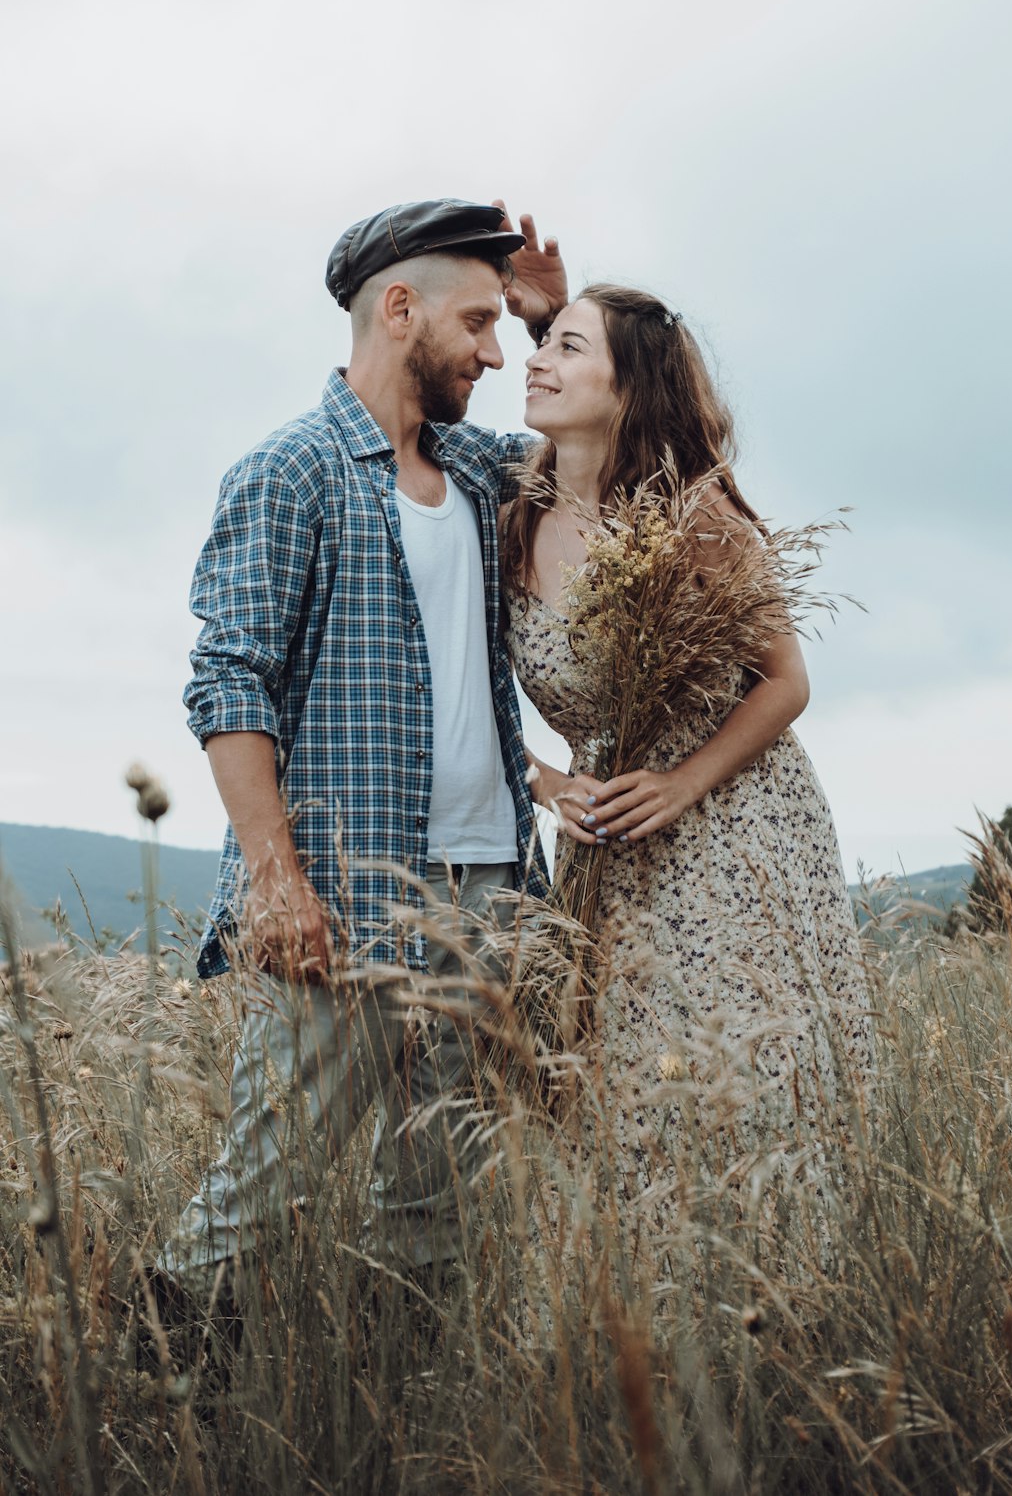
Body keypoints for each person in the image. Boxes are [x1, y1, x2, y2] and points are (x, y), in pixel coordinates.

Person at [158, 198, 565, 1301]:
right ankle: (164, 1393)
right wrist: (275, 880)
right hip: (346, 893)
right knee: (266, 1185)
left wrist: (551, 319)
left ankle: (407, 1403)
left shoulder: (478, 471)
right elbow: (228, 679)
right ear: (399, 312)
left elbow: (600, 457)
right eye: (478, 323)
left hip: (489, 885)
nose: (491, 350)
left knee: (442, 1190)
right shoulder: (290, 472)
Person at [501, 283, 876, 1217]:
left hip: (732, 827)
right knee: (622, 1101)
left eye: (566, 347)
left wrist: (680, 783)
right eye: (541, 343)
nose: (537, 359)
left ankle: (779, 1318)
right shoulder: (510, 511)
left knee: (743, 1084)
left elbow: (786, 683)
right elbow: (467, 702)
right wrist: (550, 784)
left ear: (628, 392)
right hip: (602, 848)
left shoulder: (690, 515)